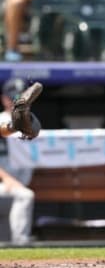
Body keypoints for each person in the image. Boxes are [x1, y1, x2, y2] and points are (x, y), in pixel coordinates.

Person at [0, 78, 40, 244]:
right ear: (4, 98)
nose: (15, 102)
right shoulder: (2, 118)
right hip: (5, 184)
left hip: (18, 185)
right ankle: (20, 243)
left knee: (24, 195)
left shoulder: (31, 121)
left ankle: (19, 243)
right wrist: (13, 126)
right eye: (13, 98)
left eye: (20, 99)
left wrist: (21, 124)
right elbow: (3, 128)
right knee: (25, 196)